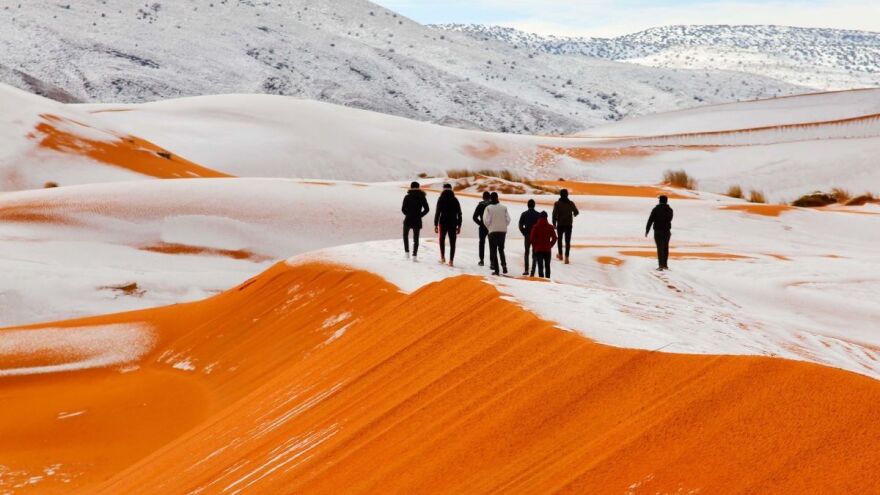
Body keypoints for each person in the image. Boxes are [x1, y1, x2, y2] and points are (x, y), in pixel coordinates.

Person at [434, 183, 462, 266]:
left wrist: (435, 224)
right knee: (452, 242)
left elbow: (437, 212)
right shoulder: (455, 199)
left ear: (443, 189)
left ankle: (442, 258)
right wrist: (459, 226)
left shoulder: (441, 199)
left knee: (441, 239)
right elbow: (459, 214)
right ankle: (451, 261)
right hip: (453, 223)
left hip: (443, 222)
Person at [482, 192, 510, 276]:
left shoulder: (488, 208)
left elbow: (486, 220)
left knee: (493, 250)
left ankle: (497, 270)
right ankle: (504, 266)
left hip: (492, 231)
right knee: (501, 249)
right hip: (502, 231)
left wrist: (490, 228)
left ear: (490, 199)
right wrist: (503, 225)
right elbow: (508, 219)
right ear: (497, 198)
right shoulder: (504, 207)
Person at [401, 181, 429, 259]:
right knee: (416, 238)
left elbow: (403, 209)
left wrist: (408, 214)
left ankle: (407, 253)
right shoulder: (422, 196)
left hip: (408, 219)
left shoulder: (407, 196)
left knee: (405, 236)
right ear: (418, 187)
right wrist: (420, 215)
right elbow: (427, 209)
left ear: (411, 187)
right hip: (417, 220)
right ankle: (414, 256)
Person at [645, 195, 674, 271]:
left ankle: (660, 265)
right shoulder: (670, 210)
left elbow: (650, 220)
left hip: (658, 231)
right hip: (667, 231)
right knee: (665, 247)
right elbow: (670, 219)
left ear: (660, 201)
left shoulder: (656, 209)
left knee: (660, 248)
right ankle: (665, 265)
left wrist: (647, 230)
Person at [552, 188, 579, 264]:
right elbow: (576, 212)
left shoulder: (557, 203)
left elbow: (554, 215)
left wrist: (554, 224)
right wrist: (573, 214)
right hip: (568, 225)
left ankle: (560, 255)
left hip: (560, 224)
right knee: (567, 241)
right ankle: (566, 258)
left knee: (560, 240)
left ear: (560, 195)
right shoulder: (571, 203)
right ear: (567, 195)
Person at [529, 211, 558, 278]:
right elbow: (554, 238)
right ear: (546, 217)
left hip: (538, 249)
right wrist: (550, 245)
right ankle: (547, 279)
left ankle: (541, 280)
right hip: (547, 249)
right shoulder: (550, 227)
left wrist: (535, 246)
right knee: (547, 266)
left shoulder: (535, 227)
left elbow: (532, 238)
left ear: (539, 217)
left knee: (540, 266)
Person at [518, 199, 541, 276]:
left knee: (526, 252)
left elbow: (520, 225)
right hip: (536, 236)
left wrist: (524, 232)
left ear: (527, 205)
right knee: (534, 253)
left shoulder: (524, 214)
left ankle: (526, 270)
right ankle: (533, 271)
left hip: (527, 235)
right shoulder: (538, 214)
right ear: (534, 205)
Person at [472, 191, 492, 266]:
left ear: (483, 197)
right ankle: (492, 262)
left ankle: (481, 260)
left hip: (483, 226)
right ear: (490, 197)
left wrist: (480, 223)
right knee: (492, 244)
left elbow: (474, 217)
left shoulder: (480, 205)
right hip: (491, 227)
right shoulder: (492, 205)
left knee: (481, 243)